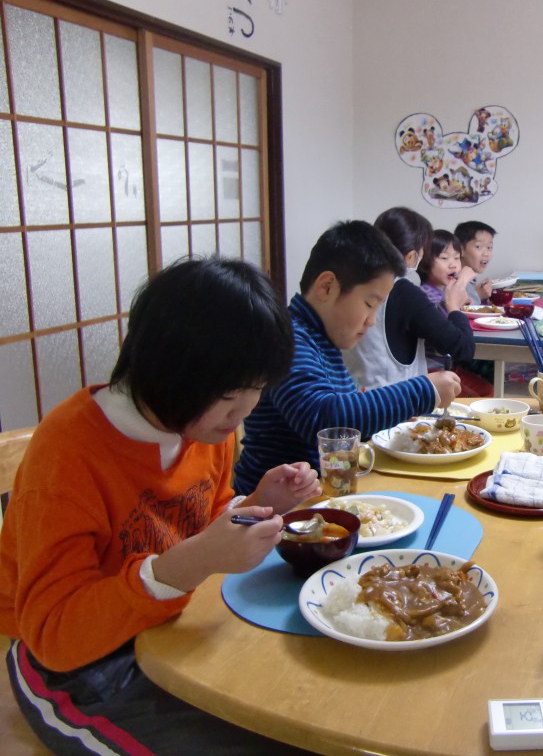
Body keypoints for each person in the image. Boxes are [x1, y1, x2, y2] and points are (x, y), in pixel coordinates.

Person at [1, 257, 322, 755]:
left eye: (258, 389)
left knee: (301, 708)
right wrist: (192, 562)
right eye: (230, 394)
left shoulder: (202, 425)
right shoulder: (68, 455)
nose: (246, 411)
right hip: (73, 665)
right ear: (167, 367)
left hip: (170, 628)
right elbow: (54, 634)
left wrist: (260, 503)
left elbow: (204, 520)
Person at [233, 220, 462, 494]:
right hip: (275, 511)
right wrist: (424, 389)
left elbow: (345, 422)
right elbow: (325, 420)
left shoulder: (321, 339)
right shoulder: (287, 338)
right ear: (327, 286)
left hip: (322, 493)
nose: (372, 321)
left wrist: (392, 416)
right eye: (369, 304)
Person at [344, 207, 476, 391]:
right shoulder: (404, 291)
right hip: (396, 403)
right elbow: (462, 348)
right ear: (411, 256)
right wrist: (453, 305)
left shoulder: (349, 280)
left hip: (351, 395)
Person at [417, 229, 493, 397]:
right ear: (424, 262)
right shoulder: (426, 294)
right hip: (431, 369)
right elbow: (445, 328)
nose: (453, 264)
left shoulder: (445, 290)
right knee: (479, 395)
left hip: (447, 364)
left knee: (486, 389)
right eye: (444, 258)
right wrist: (462, 282)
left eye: (457, 258)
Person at [454, 220, 496, 304]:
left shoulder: (470, 279)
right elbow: (459, 311)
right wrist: (478, 295)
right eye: (478, 246)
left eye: (489, 247)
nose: (486, 253)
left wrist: (482, 296)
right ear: (461, 249)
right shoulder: (454, 279)